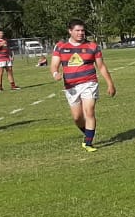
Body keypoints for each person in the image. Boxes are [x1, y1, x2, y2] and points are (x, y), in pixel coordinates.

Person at [50, 19, 116, 152]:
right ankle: (88, 133)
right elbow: (54, 65)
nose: (81, 33)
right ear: (70, 31)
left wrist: (110, 84)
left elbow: (101, 66)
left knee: (89, 111)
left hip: (89, 82)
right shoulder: (60, 46)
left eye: (82, 30)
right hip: (71, 86)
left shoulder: (92, 46)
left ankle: (88, 143)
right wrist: (55, 73)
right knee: (77, 117)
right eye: (77, 30)